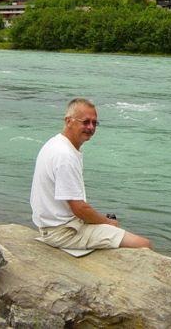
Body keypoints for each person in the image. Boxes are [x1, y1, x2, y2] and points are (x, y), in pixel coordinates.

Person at [30, 98, 151, 250]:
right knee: (143, 245)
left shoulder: (56, 143)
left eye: (95, 123)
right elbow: (79, 208)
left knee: (114, 229)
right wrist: (108, 223)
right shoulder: (65, 156)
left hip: (54, 225)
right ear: (69, 121)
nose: (91, 127)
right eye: (86, 122)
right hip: (63, 232)